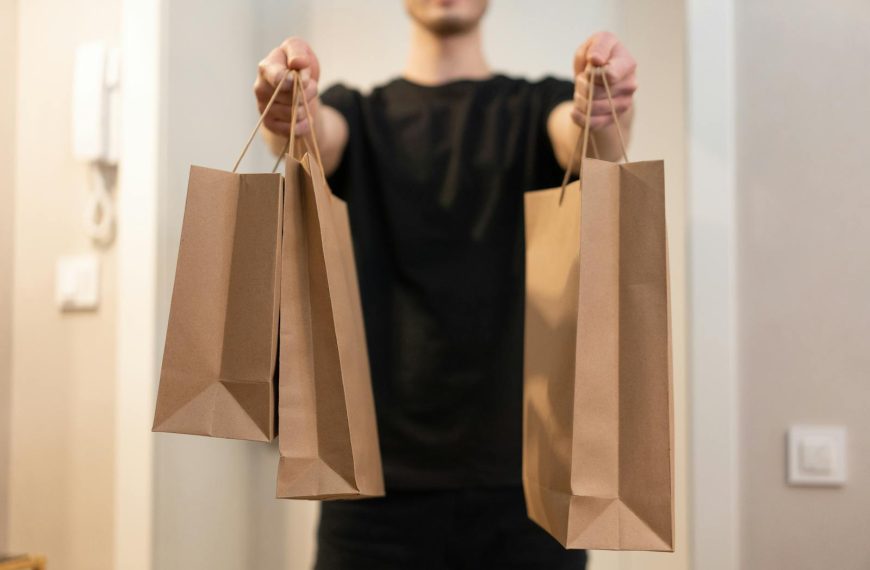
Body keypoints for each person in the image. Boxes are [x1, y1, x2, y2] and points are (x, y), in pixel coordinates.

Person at [253, 1, 637, 568]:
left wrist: (602, 108)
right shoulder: (353, 113)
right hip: (369, 496)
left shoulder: (541, 108)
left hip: (532, 494)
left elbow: (584, 137)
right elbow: (314, 136)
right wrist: (295, 109)